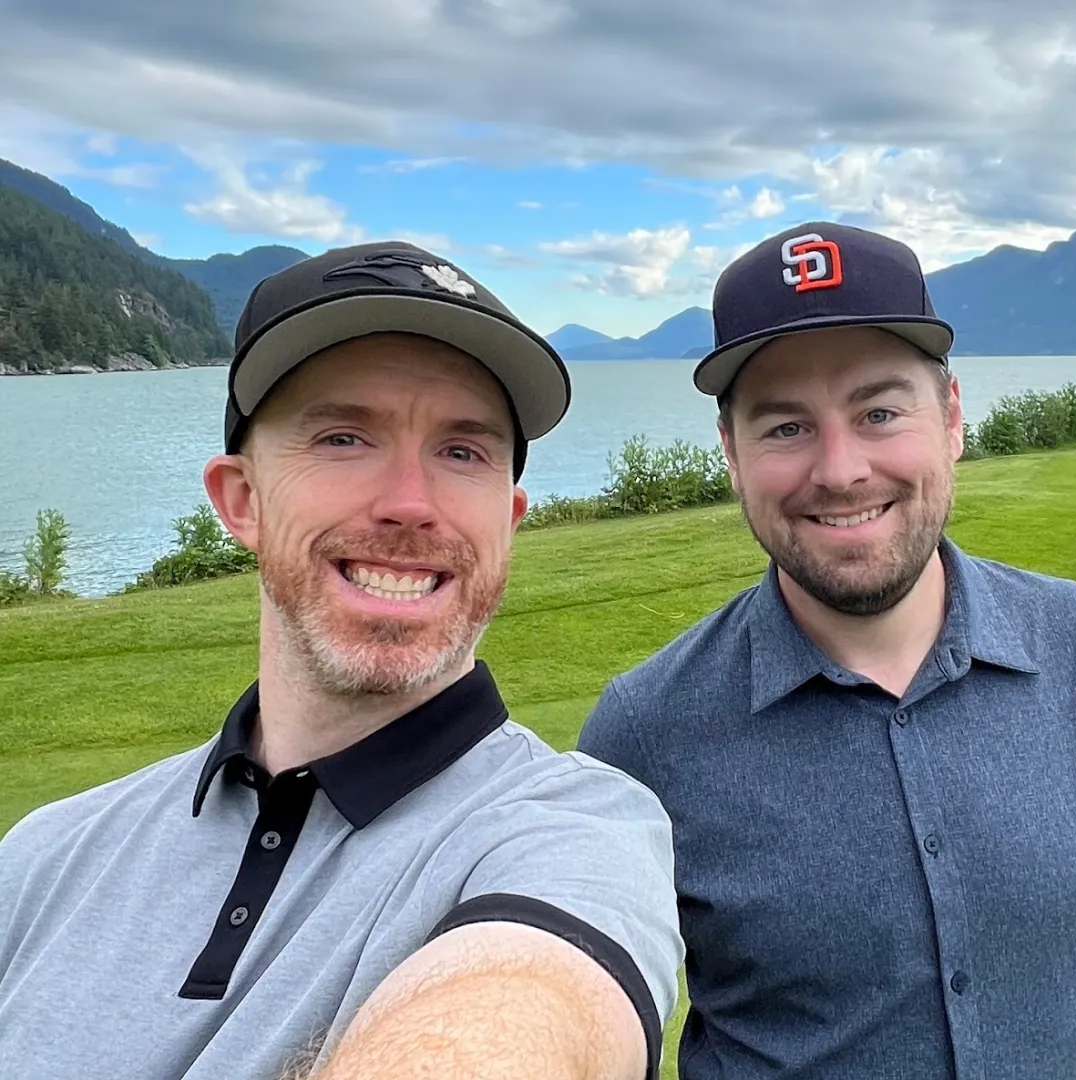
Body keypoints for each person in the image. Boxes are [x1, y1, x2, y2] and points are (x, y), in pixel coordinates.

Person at [577, 222, 1076, 1079]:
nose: (841, 469)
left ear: (953, 419)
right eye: (785, 427)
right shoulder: (646, 728)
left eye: (880, 412)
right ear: (732, 455)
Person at [0, 242, 683, 1080]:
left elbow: (532, 1002)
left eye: (462, 451)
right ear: (242, 499)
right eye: (344, 436)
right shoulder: (44, 856)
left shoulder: (578, 834)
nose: (408, 503)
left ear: (508, 520)